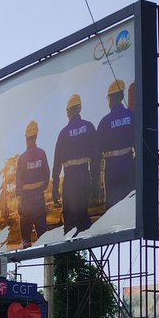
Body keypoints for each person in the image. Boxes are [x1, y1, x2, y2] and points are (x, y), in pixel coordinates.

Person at [52, 94, 99, 234]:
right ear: (80, 108)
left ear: (68, 112)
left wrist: (55, 188)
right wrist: (95, 183)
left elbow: (56, 164)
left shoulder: (63, 134)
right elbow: (96, 158)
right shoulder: (89, 127)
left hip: (70, 182)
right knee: (81, 213)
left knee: (71, 220)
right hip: (84, 178)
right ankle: (87, 236)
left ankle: (72, 246)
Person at [97, 79, 136, 209]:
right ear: (123, 96)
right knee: (130, 206)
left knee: (112, 210)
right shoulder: (132, 116)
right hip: (129, 166)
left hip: (112, 170)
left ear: (111, 99)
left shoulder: (104, 122)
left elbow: (97, 152)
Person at [16, 121, 50, 248]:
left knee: (27, 239)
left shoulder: (23, 158)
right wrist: (40, 186)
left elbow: (18, 181)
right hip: (37, 199)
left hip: (28, 201)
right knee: (43, 235)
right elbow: (46, 176)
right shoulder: (41, 154)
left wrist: (19, 200)